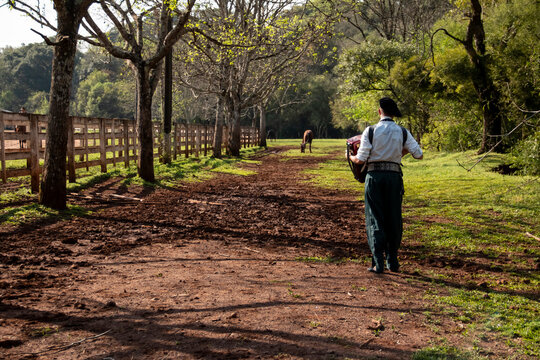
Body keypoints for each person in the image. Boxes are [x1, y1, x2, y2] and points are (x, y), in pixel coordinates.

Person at [348, 97, 423, 274]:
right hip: (394, 178)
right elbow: (418, 154)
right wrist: (396, 154)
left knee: (375, 218)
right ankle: (393, 261)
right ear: (393, 112)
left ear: (379, 111)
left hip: (374, 177)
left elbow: (361, 159)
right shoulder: (402, 131)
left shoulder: (371, 131)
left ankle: (377, 263)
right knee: (393, 218)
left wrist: (351, 157)